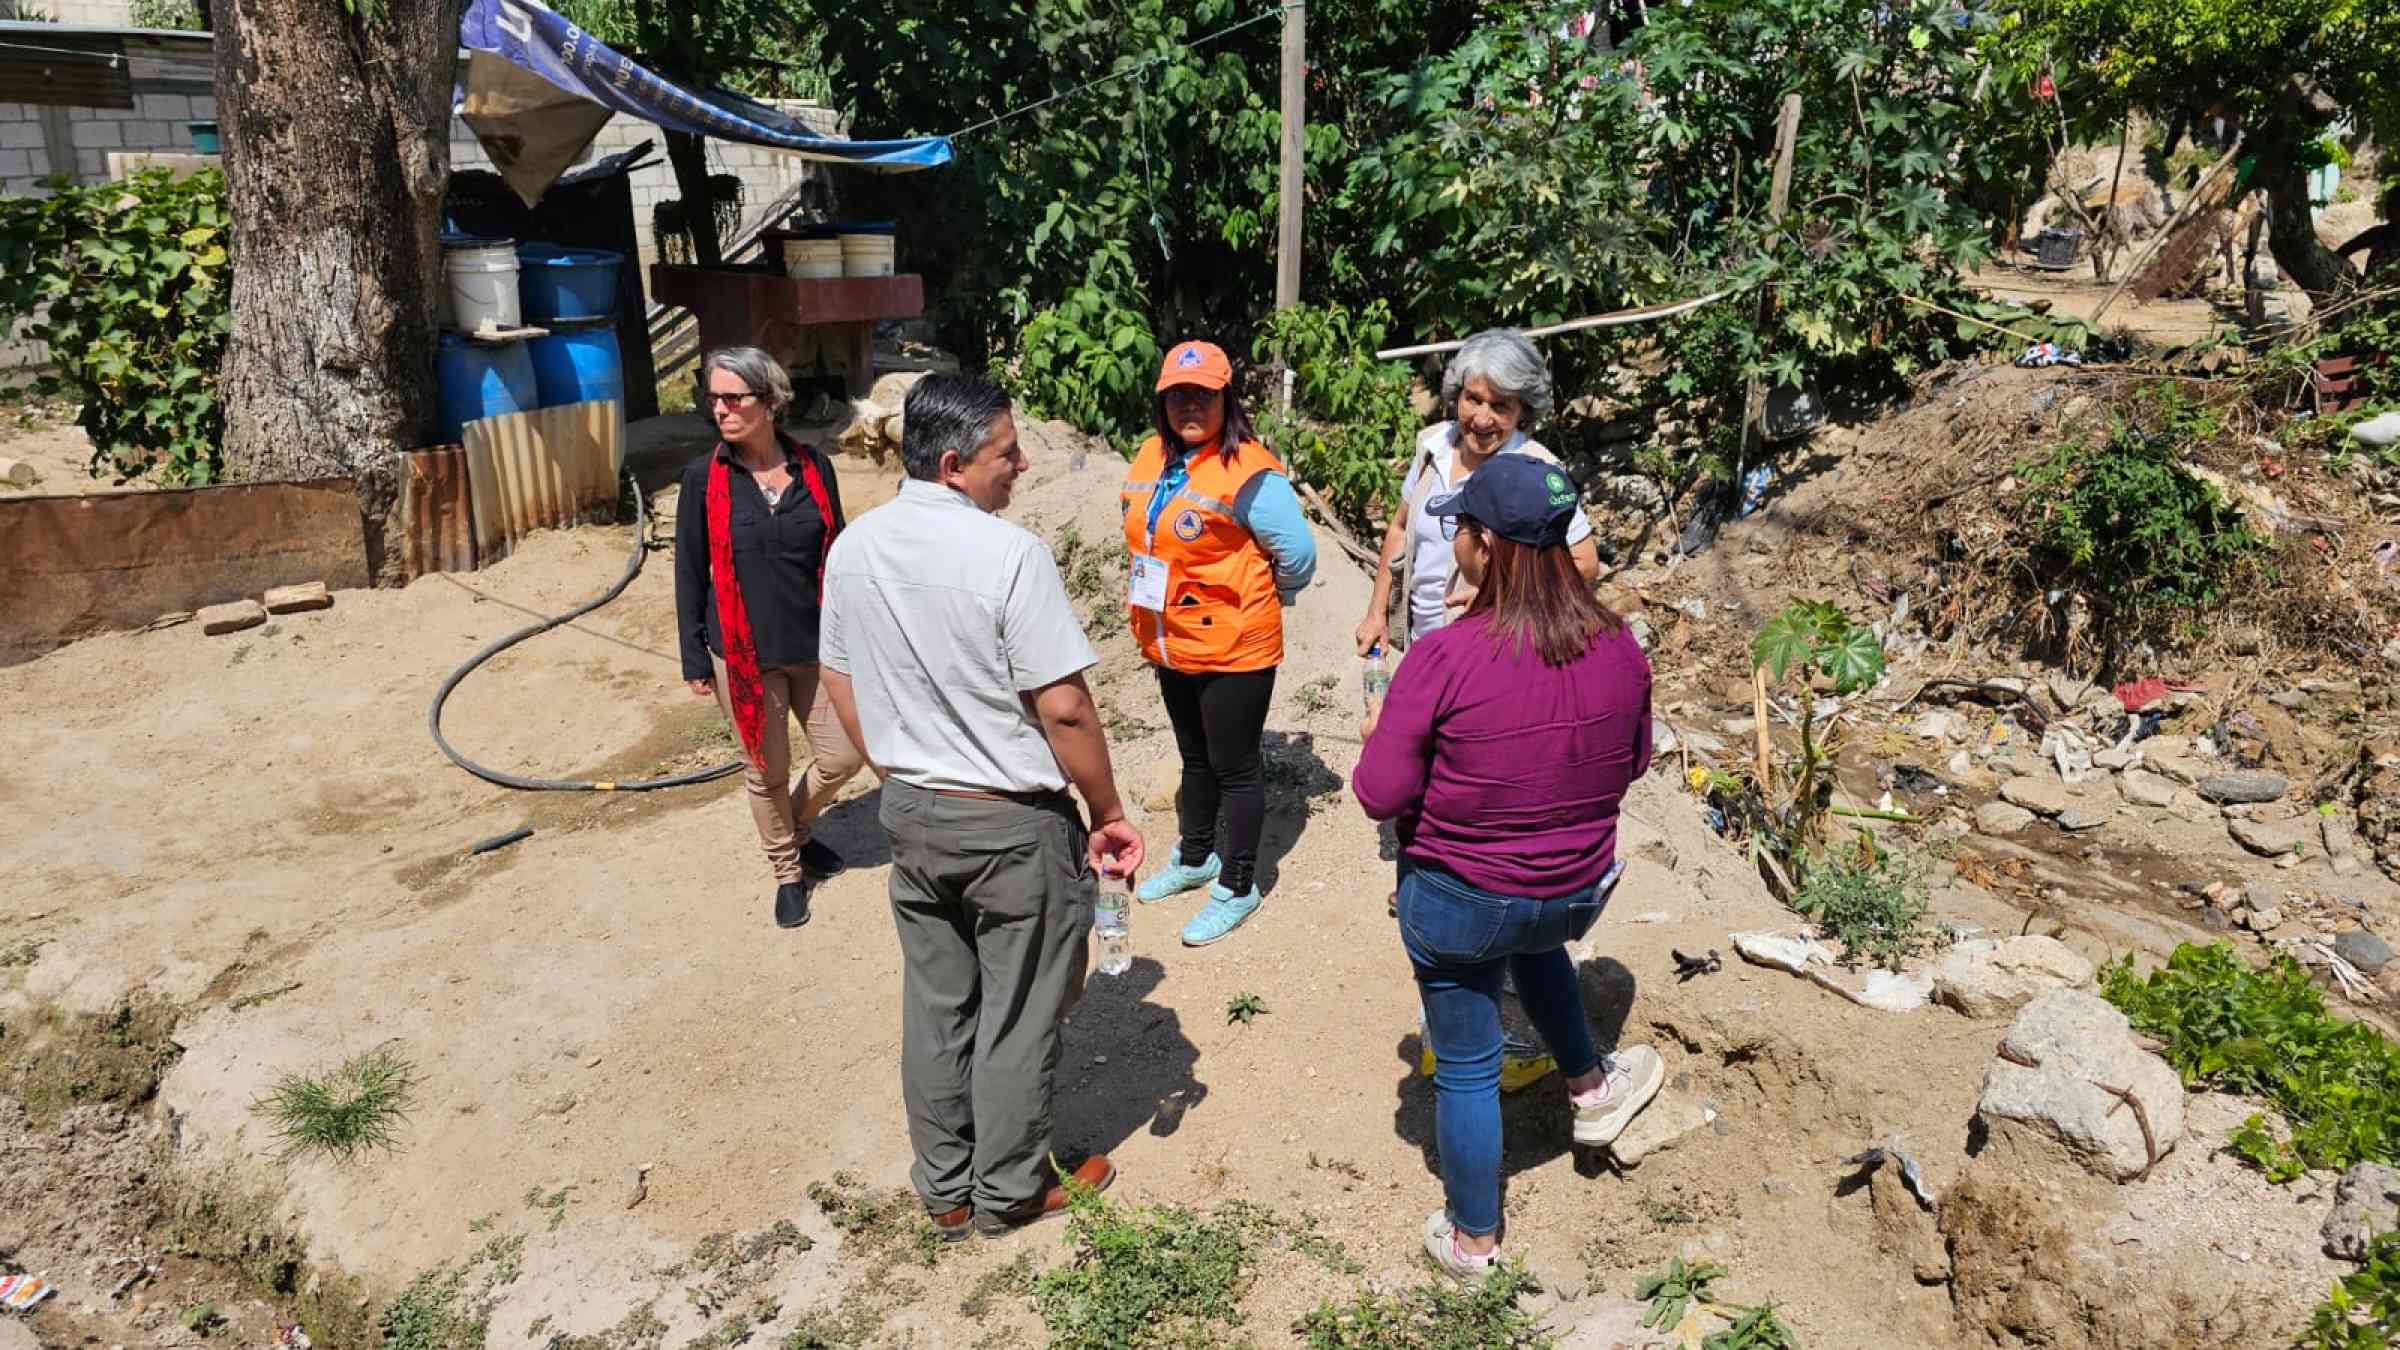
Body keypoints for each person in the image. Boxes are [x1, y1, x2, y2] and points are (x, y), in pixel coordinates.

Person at [818, 373, 1147, 1241]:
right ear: (958, 463)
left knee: (937, 1004)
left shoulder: (855, 547)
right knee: (1021, 1008)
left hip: (913, 815)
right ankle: (1006, 1193)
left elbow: (837, 676)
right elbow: (1066, 706)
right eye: (1009, 452)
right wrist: (1108, 808)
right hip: (1009, 823)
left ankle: (948, 1186)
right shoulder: (1008, 556)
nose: (1023, 463)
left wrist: (894, 765)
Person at [1352, 454, 1664, 1278]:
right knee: (1534, 943)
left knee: (1463, 1063)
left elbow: (1379, 794)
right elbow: (1631, 763)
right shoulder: (1620, 645)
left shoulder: (1445, 658)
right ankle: (1592, 1090)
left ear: (1484, 545)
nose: (1454, 539)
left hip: (1461, 901)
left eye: (1459, 528)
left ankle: (1473, 1242)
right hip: (1570, 894)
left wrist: (1385, 734)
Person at [1123, 341, 1318, 946]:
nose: (1190, 405)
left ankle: (1237, 884)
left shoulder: (1248, 470)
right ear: (1162, 399)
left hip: (1235, 646)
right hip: (1171, 640)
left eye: (1203, 395)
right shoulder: (1152, 455)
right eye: (1178, 394)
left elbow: (1300, 557)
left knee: (1235, 768)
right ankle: (1196, 856)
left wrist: (1262, 593)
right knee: (1195, 757)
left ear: (1225, 399)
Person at [675, 346, 866, 930]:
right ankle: (787, 870)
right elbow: (689, 567)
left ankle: (798, 830)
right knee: (766, 769)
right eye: (714, 399)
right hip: (742, 650)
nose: (722, 409)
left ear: (770, 400)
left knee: (844, 755)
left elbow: (837, 556)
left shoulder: (814, 468)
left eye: (735, 398)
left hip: (815, 643)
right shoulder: (704, 477)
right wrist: (694, 656)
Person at [1354, 328, 1600, 659]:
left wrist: (1501, 597)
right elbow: (1399, 530)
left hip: (1490, 654)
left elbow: (1585, 564)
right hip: (1420, 647)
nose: (1482, 418)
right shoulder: (1432, 447)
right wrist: (1376, 615)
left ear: (1522, 411)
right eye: (1473, 399)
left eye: (1500, 406)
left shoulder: (1537, 470)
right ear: (1457, 395)